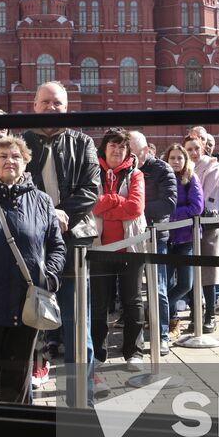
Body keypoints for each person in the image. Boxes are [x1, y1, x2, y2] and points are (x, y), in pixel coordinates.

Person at [21, 81, 101, 405]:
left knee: (77, 323)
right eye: (46, 102)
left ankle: (82, 398)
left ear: (66, 107)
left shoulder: (83, 142)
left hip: (73, 242)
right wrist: (46, 213)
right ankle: (22, 392)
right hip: (30, 241)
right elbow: (17, 186)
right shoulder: (21, 142)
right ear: (34, 105)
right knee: (26, 319)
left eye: (58, 104)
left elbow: (91, 188)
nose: (52, 108)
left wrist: (61, 213)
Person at [0, 134, 65, 405]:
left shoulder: (42, 201)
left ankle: (14, 435)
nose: (10, 161)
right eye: (3, 157)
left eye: (16, 156)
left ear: (26, 163)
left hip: (26, 306)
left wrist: (48, 278)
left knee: (17, 383)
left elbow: (57, 246)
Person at [90, 128, 146, 371]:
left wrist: (107, 204)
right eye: (113, 145)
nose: (117, 150)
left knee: (132, 301)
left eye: (122, 147)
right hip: (99, 247)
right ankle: (97, 353)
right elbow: (90, 205)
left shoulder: (137, 175)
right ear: (104, 148)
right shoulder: (92, 172)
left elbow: (135, 208)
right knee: (98, 303)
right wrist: (114, 200)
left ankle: (134, 352)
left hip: (130, 247)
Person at [128, 132, 176, 353]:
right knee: (132, 291)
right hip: (129, 236)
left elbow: (168, 203)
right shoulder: (126, 169)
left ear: (146, 151)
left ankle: (162, 335)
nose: (130, 157)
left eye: (135, 153)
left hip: (156, 236)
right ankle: (134, 339)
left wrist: (134, 210)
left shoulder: (163, 170)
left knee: (159, 289)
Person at [184, 131, 219, 333]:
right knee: (190, 273)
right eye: (189, 149)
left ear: (203, 147)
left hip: (210, 227)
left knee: (209, 273)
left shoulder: (216, 168)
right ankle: (195, 314)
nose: (193, 153)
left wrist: (218, 213)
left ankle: (210, 315)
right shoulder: (181, 169)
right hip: (186, 226)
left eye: (196, 148)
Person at [162, 143, 203, 339]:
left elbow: (197, 207)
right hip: (165, 238)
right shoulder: (161, 178)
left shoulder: (191, 178)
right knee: (167, 282)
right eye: (172, 158)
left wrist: (172, 216)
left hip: (186, 237)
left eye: (180, 158)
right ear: (166, 159)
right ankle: (171, 321)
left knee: (186, 283)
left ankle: (157, 308)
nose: (176, 161)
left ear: (185, 160)